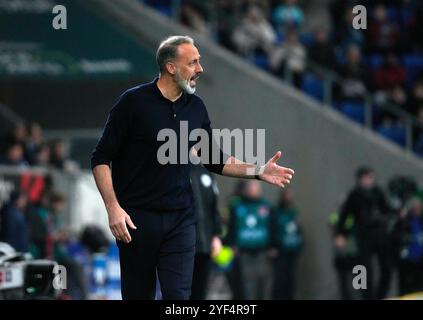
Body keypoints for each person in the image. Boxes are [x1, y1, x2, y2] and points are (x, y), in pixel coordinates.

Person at [91, 35, 295, 300]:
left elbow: (215, 160)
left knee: (180, 299)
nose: (200, 68)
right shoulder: (133, 103)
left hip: (181, 220)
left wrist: (258, 171)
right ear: (171, 67)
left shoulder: (196, 107)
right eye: (193, 62)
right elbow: (100, 158)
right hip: (136, 221)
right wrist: (113, 208)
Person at [335, 167, 392, 300]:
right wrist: (341, 234)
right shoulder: (354, 195)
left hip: (380, 234)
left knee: (386, 267)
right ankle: (368, 297)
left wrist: (386, 218)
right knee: (364, 269)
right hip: (364, 236)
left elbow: (387, 210)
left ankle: (380, 295)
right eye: (366, 177)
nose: (369, 181)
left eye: (371, 177)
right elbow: (345, 216)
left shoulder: (378, 192)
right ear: (360, 179)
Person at [226, 180, 273, 300]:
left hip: (262, 252)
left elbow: (273, 226)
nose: (254, 189)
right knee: (247, 284)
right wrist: (232, 244)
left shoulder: (266, 206)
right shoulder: (237, 207)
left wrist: (273, 245)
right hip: (244, 252)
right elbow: (231, 227)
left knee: (264, 282)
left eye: (256, 187)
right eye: (251, 187)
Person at [190, 164, 222, 300]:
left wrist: (216, 235)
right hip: (183, 242)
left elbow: (213, 208)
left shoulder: (207, 172)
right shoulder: (177, 169)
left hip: (205, 245)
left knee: (200, 290)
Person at [270, 188, 303, 300]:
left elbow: (299, 231)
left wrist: (300, 245)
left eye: (290, 196)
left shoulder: (294, 212)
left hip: (293, 250)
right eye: (286, 195)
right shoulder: (276, 212)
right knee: (279, 279)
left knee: (291, 279)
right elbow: (272, 230)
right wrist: (273, 246)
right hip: (280, 251)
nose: (289, 198)